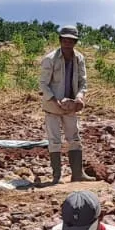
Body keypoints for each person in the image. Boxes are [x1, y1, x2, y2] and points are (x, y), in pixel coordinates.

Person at [39, 25, 87, 184]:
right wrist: (54, 100)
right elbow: (43, 84)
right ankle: (56, 176)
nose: (67, 43)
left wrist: (79, 97)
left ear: (75, 42)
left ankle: (77, 174)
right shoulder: (50, 59)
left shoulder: (79, 58)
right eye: (64, 40)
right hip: (53, 106)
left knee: (74, 138)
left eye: (71, 41)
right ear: (60, 41)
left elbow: (83, 82)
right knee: (54, 141)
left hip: (70, 105)